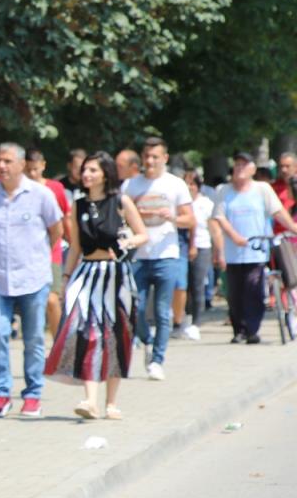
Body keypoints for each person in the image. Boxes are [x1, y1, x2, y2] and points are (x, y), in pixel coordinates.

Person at [45, 152, 148, 420]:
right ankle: (90, 400)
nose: (86, 174)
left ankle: (111, 403)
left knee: (116, 334)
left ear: (105, 173)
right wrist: (66, 279)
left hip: (116, 275)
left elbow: (142, 234)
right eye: (84, 170)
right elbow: (76, 247)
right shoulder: (77, 206)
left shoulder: (120, 201)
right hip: (88, 274)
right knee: (88, 333)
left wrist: (127, 243)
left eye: (92, 170)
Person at [0, 143, 63, 418]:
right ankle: (2, 393)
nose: (2, 166)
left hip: (33, 278)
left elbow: (56, 230)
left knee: (34, 338)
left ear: (22, 164)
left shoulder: (41, 194)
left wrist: (35, 257)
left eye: (8, 161)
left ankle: (33, 394)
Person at [122, 137, 195, 380]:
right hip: (139, 256)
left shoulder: (175, 185)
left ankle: (157, 360)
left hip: (167, 255)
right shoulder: (131, 185)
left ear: (164, 158)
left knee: (163, 311)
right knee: (136, 307)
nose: (150, 161)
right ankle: (147, 340)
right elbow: (121, 214)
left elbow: (190, 220)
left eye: (155, 156)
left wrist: (172, 217)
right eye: (147, 156)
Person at [212, 153, 297, 344]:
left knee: (254, 289)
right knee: (234, 292)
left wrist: (293, 227)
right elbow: (219, 217)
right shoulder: (224, 190)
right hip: (233, 251)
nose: (240, 168)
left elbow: (277, 211)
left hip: (256, 250)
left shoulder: (262, 189)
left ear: (252, 169)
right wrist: (233, 236)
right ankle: (238, 330)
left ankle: (252, 329)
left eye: (245, 164)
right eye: (237, 164)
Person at [25, 149, 72, 339]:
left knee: (53, 300)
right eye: (28, 170)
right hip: (26, 254)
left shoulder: (55, 188)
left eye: (35, 169)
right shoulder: (19, 190)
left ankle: (57, 345)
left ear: (43, 166)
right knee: (34, 303)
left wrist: (73, 242)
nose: (32, 174)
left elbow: (65, 218)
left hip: (52, 251)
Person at [179, 170, 218, 341]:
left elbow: (214, 229)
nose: (189, 187)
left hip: (202, 246)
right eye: (186, 183)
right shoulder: (179, 204)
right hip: (181, 246)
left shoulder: (206, 203)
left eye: (192, 184)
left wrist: (218, 250)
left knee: (197, 285)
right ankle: (182, 320)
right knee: (181, 286)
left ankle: (196, 322)